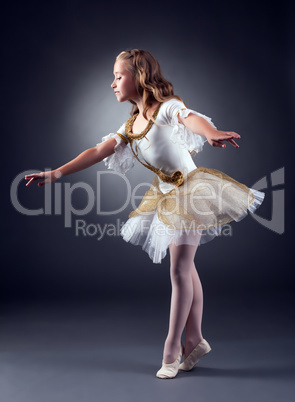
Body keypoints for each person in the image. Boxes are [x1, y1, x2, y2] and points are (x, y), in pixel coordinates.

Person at [25, 49, 264, 379]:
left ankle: (171, 349)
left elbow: (189, 116)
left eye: (118, 76)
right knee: (185, 267)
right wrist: (54, 174)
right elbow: (96, 151)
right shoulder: (130, 125)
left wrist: (210, 132)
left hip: (190, 191)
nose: (112, 83)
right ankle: (194, 339)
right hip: (165, 194)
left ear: (138, 78)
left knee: (179, 269)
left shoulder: (165, 109)